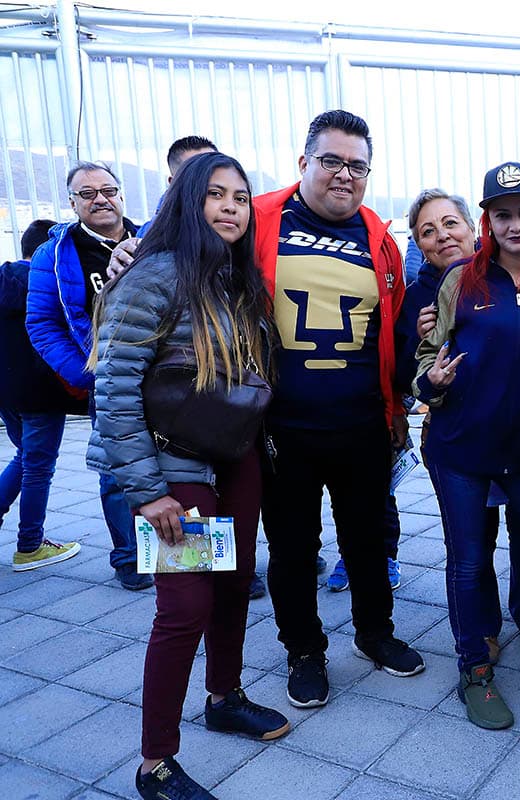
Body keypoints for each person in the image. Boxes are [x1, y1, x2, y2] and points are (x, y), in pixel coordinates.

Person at [88, 152, 290, 800]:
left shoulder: (233, 279)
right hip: (175, 469)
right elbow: (114, 389)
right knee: (184, 609)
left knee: (234, 587)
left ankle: (224, 696)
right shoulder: (155, 276)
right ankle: (155, 764)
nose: (231, 207)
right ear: (188, 202)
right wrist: (147, 492)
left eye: (240, 196)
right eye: (216, 195)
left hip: (234, 458)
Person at [254, 109, 423, 710]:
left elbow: (393, 329)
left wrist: (405, 400)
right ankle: (304, 650)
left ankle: (375, 634)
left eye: (358, 166)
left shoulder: (380, 237)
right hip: (280, 428)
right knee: (294, 548)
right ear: (304, 163)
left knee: (368, 539)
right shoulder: (257, 220)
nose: (344, 175)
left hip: (361, 424)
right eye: (332, 161)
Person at [413, 162, 520, 729]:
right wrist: (428, 384)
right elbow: (425, 356)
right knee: (468, 560)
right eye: (502, 214)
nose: (515, 225)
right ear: (487, 220)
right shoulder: (462, 279)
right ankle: (473, 665)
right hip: (461, 447)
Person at [398, 188, 520, 664]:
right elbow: (416, 363)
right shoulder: (437, 290)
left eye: (450, 224)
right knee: (472, 547)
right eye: (428, 230)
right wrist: (430, 377)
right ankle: (479, 634)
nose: (442, 236)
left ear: (470, 226)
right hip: (463, 439)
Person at [25, 162, 148, 590]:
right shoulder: (57, 252)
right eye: (88, 193)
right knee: (116, 473)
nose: (101, 198)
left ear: (121, 194)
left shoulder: (150, 240)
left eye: (108, 189)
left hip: (161, 375)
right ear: (73, 202)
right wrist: (85, 373)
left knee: (180, 470)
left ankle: (176, 556)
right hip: (108, 380)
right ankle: (129, 558)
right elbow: (41, 322)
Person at [0, 220, 84, 571]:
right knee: (38, 467)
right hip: (40, 393)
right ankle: (30, 545)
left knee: (26, 457)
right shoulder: (46, 285)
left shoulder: (3, 281)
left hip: (6, 394)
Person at [107, 135, 219, 278]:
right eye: (195, 174)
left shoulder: (239, 219)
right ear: (174, 183)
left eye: (214, 171)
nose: (209, 182)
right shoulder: (150, 235)